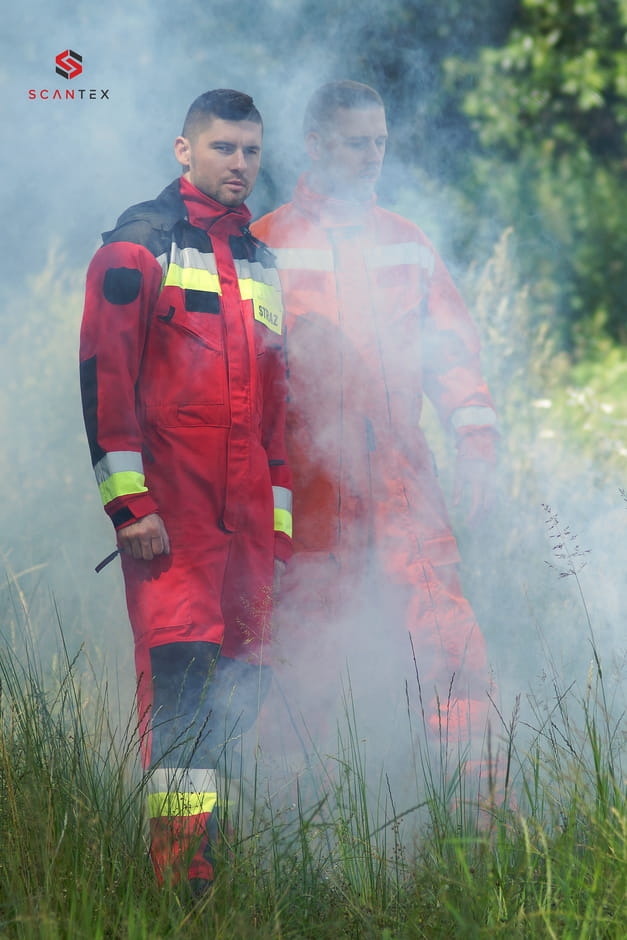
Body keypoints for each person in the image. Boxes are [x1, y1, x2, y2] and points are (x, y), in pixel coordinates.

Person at [251, 81, 498, 783]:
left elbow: (451, 354)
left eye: (380, 142)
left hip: (400, 479)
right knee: (298, 657)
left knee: (448, 647)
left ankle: (482, 814)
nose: (372, 156)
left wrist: (476, 442)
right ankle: (287, 821)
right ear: (315, 144)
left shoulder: (406, 243)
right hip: (304, 486)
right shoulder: (264, 244)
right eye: (356, 143)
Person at [79, 88, 292, 892]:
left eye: (250, 151)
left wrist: (277, 529)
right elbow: (105, 380)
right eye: (223, 148)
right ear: (185, 150)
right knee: (182, 695)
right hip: (172, 526)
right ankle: (178, 882)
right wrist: (129, 505)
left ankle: (218, 863)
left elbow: (275, 411)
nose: (239, 164)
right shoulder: (138, 246)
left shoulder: (262, 261)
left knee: (241, 694)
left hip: (248, 531)